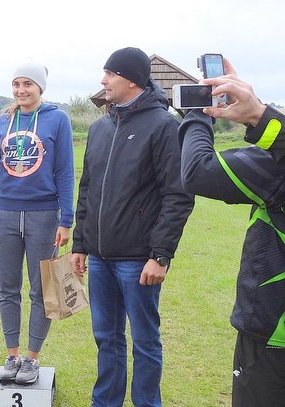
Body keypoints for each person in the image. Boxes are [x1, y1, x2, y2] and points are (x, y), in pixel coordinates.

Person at [69, 47, 194, 406]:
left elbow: (178, 195)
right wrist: (80, 244)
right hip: (100, 258)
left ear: (132, 79)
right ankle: (105, 402)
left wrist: (161, 255)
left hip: (139, 260)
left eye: (109, 74)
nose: (103, 80)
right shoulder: (100, 127)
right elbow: (87, 189)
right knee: (106, 338)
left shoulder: (164, 126)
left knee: (144, 341)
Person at [179, 58, 285, 407]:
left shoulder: (272, 169)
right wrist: (259, 115)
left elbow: (198, 171)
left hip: (273, 332)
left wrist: (198, 112)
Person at [0, 61, 74, 384]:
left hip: (44, 215)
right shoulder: (2, 122)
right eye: (16, 84)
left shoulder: (57, 119)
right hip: (3, 211)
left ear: (40, 87)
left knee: (40, 288)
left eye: (27, 84)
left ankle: (32, 358)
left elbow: (64, 171)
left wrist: (66, 218)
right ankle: (12, 354)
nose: (21, 90)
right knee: (7, 288)